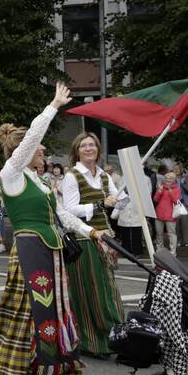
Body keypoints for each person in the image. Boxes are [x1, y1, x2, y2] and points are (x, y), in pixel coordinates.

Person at [0, 84, 109, 375]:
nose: (44, 154)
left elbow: (60, 215)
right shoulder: (12, 174)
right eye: (40, 151)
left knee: (49, 318)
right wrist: (53, 106)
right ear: (24, 151)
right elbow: (32, 136)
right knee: (21, 318)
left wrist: (93, 232)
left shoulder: (40, 181)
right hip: (30, 255)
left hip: (52, 254)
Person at [60, 132, 125, 359]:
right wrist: (98, 205)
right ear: (77, 151)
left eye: (92, 145)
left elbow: (117, 204)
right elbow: (69, 210)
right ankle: (93, 341)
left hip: (105, 239)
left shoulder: (104, 177)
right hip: (83, 240)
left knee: (107, 290)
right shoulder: (72, 176)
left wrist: (123, 199)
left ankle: (115, 336)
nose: (89, 149)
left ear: (98, 149)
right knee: (91, 291)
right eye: (84, 146)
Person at [152, 171, 182, 255]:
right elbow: (155, 200)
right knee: (159, 233)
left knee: (171, 234)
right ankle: (159, 249)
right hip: (159, 213)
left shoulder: (177, 189)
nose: (168, 180)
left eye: (170, 178)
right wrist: (160, 191)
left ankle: (173, 251)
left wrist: (170, 191)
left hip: (170, 214)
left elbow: (176, 201)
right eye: (166, 178)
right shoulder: (161, 187)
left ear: (174, 180)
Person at [174, 164, 188, 247]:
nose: (175, 170)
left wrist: (183, 184)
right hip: (175, 203)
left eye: (177, 168)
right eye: (174, 169)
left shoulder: (186, 178)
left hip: (185, 203)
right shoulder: (171, 178)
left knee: (185, 223)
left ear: (181, 169)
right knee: (176, 224)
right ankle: (178, 241)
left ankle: (186, 242)